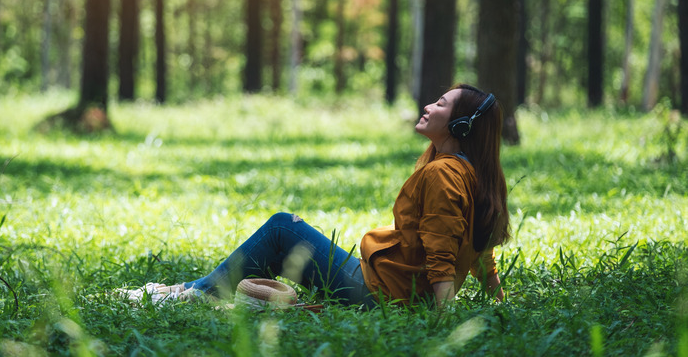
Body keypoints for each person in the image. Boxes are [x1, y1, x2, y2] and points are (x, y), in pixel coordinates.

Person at [128, 84, 510, 309]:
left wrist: (440, 322)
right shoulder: (468, 171)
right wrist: (498, 300)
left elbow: (442, 249)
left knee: (282, 227)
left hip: (381, 293)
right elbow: (480, 246)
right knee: (285, 232)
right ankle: (191, 290)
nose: (429, 106)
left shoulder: (445, 174)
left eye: (441, 105)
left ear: (460, 125)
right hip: (389, 284)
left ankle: (191, 294)